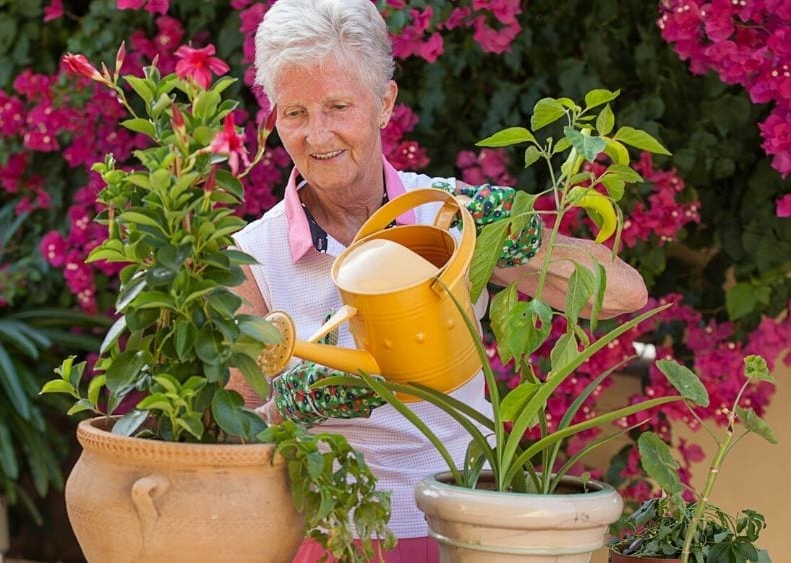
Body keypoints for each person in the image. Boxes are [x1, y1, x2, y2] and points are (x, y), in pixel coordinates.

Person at [230, 0, 649, 560]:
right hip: (327, 537)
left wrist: (510, 235)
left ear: (384, 104)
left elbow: (624, 295)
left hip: (468, 526)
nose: (317, 134)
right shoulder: (251, 258)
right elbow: (233, 426)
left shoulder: (447, 217)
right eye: (295, 113)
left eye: (338, 105)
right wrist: (295, 401)